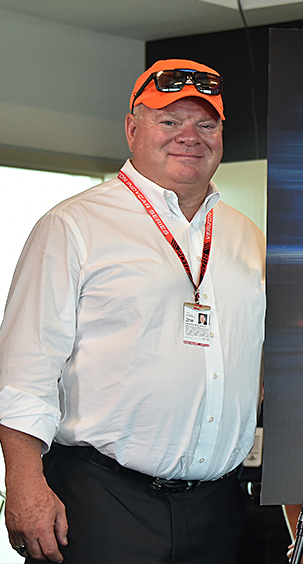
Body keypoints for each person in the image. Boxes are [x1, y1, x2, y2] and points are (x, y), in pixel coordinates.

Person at [0, 59, 266, 563]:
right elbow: (24, 370)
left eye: (205, 124)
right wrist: (24, 482)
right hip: (102, 503)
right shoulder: (73, 226)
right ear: (132, 128)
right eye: (170, 121)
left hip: (221, 510)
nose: (189, 135)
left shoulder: (247, 238)